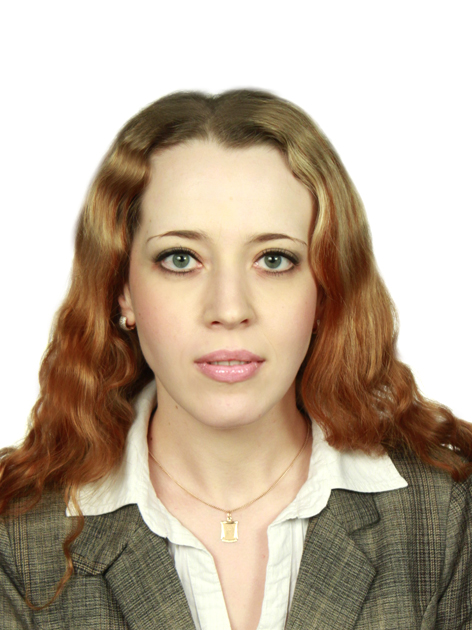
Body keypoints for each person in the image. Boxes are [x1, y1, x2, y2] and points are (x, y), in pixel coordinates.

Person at [0, 89, 471, 630]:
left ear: (326, 291)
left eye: (274, 259)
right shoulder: (16, 538)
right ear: (121, 289)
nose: (229, 309)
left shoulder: (448, 517)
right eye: (181, 258)